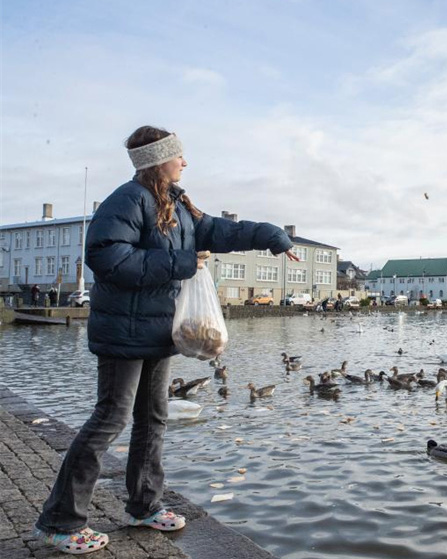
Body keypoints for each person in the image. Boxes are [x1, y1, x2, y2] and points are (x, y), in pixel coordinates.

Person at [33, 126, 299, 555]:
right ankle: (59, 521)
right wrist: (181, 261)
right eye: (179, 156)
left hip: (160, 332)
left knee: (154, 417)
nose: (185, 162)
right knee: (109, 420)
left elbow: (222, 231)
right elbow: (107, 257)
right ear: (159, 160)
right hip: (123, 333)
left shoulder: (176, 204)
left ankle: (143, 505)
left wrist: (273, 237)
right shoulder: (128, 200)